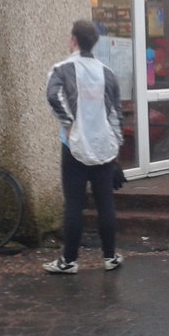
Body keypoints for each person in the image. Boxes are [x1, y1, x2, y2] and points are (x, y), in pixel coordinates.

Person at [45, 20, 124, 273]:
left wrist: (69, 123)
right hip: (103, 147)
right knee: (105, 204)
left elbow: (52, 95)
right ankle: (110, 258)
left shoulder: (61, 69)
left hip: (74, 147)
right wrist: (116, 145)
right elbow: (116, 113)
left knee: (74, 205)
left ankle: (69, 261)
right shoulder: (108, 73)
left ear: (74, 40)